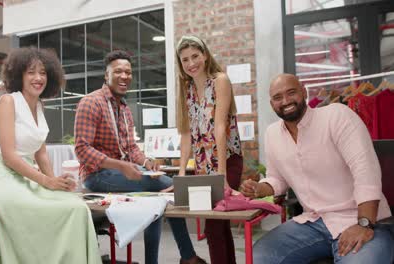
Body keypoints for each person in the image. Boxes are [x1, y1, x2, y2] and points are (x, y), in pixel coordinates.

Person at [240, 73, 394, 264]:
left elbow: (366, 173)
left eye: (291, 92)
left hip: (365, 219)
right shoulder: (272, 134)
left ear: (304, 92)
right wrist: (260, 188)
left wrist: (364, 224)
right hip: (313, 223)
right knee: (259, 258)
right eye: (278, 97)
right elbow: (277, 178)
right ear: (272, 104)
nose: (286, 101)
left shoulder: (337, 116)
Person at [75, 50, 205, 264]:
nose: (124, 76)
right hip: (96, 175)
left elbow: (131, 148)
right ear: (106, 76)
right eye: (118, 71)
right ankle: (188, 257)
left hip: (118, 172)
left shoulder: (124, 109)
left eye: (128, 72)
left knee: (155, 201)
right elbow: (82, 149)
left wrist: (146, 162)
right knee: (167, 184)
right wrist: (121, 166)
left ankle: (166, 259)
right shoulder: (91, 103)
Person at [0, 47, 101, 264]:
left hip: (26, 177)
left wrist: (56, 181)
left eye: (43, 73)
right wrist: (46, 181)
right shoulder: (8, 101)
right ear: (19, 75)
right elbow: (8, 156)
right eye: (31, 72)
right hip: (2, 178)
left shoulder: (38, 107)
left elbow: (41, 153)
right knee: (56, 210)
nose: (38, 78)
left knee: (76, 206)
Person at [175, 35, 243, 264]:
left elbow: (220, 127)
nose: (191, 63)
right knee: (217, 226)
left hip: (228, 160)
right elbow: (186, 134)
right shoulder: (187, 89)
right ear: (180, 64)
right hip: (204, 166)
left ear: (205, 55)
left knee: (213, 226)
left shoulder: (220, 80)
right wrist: (183, 172)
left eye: (195, 56)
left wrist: (221, 175)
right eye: (185, 60)